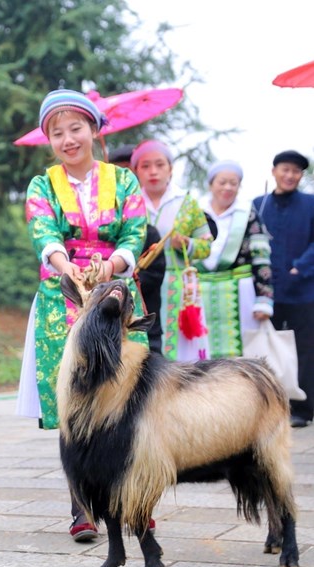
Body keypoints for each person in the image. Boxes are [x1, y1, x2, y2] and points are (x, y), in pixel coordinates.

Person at [14, 88, 148, 541]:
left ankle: (135, 499)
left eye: (76, 128)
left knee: (127, 396)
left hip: (115, 295)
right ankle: (82, 507)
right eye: (57, 132)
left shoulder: (124, 181)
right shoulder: (42, 184)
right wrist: (63, 263)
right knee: (75, 398)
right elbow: (42, 229)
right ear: (48, 139)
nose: (68, 139)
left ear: (93, 129)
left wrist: (111, 265)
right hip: (62, 296)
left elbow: (135, 230)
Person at [131, 139, 214, 361]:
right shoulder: (130, 203)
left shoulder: (187, 203)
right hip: (141, 287)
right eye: (145, 166)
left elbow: (206, 246)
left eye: (160, 165)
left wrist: (187, 244)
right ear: (136, 171)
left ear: (171, 169)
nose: (153, 172)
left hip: (177, 288)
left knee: (181, 351)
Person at [253, 150, 314, 428]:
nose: (290, 176)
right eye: (285, 170)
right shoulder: (259, 204)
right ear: (274, 171)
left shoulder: (310, 203)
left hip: (303, 291)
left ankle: (302, 408)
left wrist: (300, 267)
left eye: (296, 172)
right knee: (267, 347)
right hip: (267, 293)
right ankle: (272, 406)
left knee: (304, 349)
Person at [198, 160, 273, 359]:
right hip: (200, 291)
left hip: (240, 292)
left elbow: (261, 257)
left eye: (234, 183)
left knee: (244, 354)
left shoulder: (247, 213)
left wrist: (264, 299)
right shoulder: (196, 211)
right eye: (222, 182)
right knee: (201, 353)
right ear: (211, 184)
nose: (228, 187)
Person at [109, 144, 166, 352]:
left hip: (144, 324)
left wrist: (123, 277)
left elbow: (155, 275)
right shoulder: (97, 234)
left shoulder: (147, 232)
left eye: (128, 173)